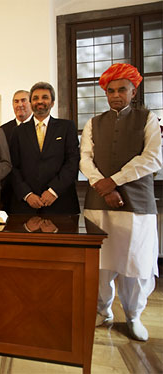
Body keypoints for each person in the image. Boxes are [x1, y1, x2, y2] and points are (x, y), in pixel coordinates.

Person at [80, 63, 162, 341]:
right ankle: (103, 311)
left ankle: (134, 315)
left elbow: (153, 158)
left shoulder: (148, 118)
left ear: (133, 90)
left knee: (135, 263)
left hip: (137, 205)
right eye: (111, 90)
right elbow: (85, 159)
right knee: (101, 263)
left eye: (122, 90)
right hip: (98, 204)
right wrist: (104, 188)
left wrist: (114, 181)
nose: (116, 95)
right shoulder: (94, 123)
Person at [9, 82, 80, 214]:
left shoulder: (66, 127)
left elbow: (72, 162)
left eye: (45, 97)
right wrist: (27, 194)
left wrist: (53, 191)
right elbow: (13, 166)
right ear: (30, 103)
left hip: (61, 202)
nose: (40, 101)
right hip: (26, 205)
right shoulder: (18, 132)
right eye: (35, 98)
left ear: (52, 102)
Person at [0, 90, 33, 211]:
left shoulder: (40, 127)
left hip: (37, 191)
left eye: (24, 100)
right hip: (11, 195)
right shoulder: (2, 131)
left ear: (31, 103)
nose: (20, 104)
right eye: (16, 101)